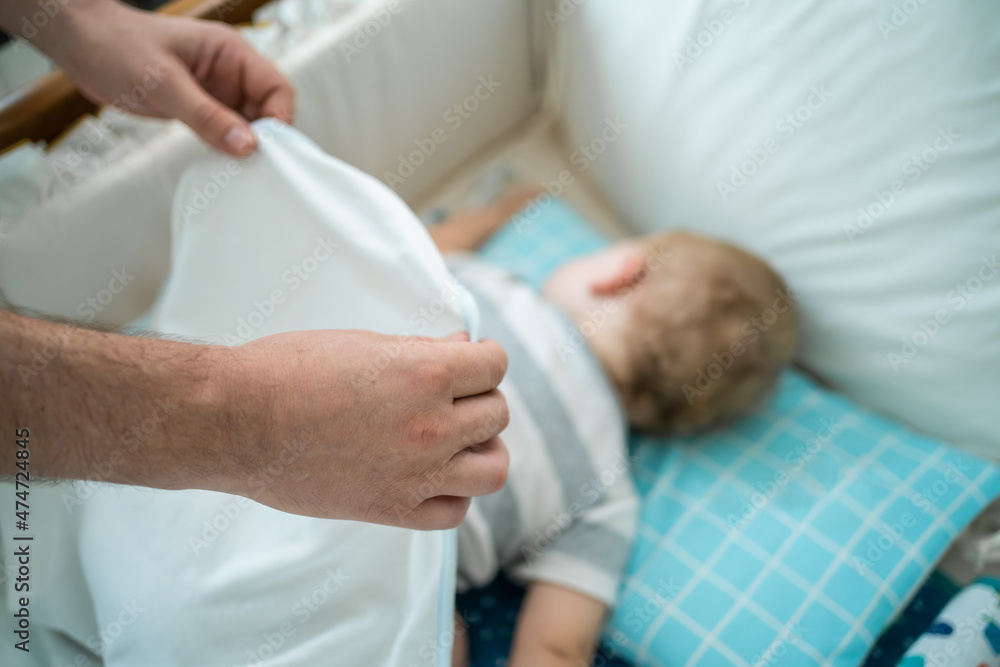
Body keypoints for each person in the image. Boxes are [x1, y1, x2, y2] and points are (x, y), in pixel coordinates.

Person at [0, 0, 509, 529]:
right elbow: (427, 250)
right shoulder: (494, 280)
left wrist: (82, 21)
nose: (607, 283)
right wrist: (252, 424)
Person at [427, 190, 798, 666]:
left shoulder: (492, 286)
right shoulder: (606, 494)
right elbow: (557, 649)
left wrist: (497, 210)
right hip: (396, 562)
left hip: (321, 444)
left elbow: (422, 243)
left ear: (622, 274)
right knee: (439, 635)